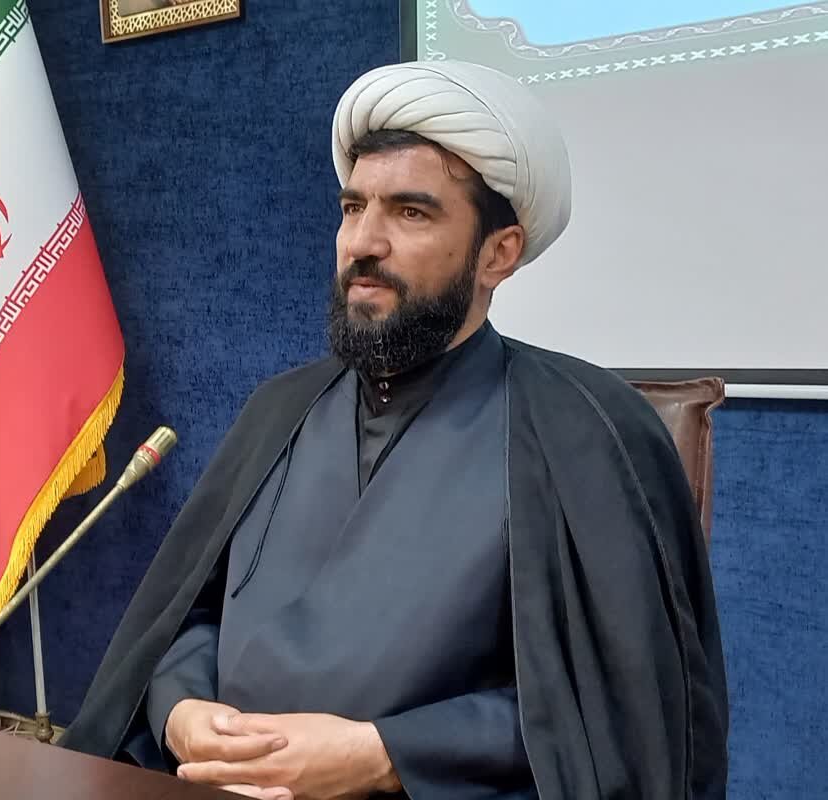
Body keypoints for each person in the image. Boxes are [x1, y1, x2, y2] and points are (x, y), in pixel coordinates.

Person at [60, 61, 729, 800]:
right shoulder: (279, 409)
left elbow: (611, 715)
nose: (362, 243)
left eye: (411, 213)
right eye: (353, 208)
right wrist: (182, 710)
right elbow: (187, 616)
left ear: (498, 253)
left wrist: (383, 755)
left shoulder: (586, 430)